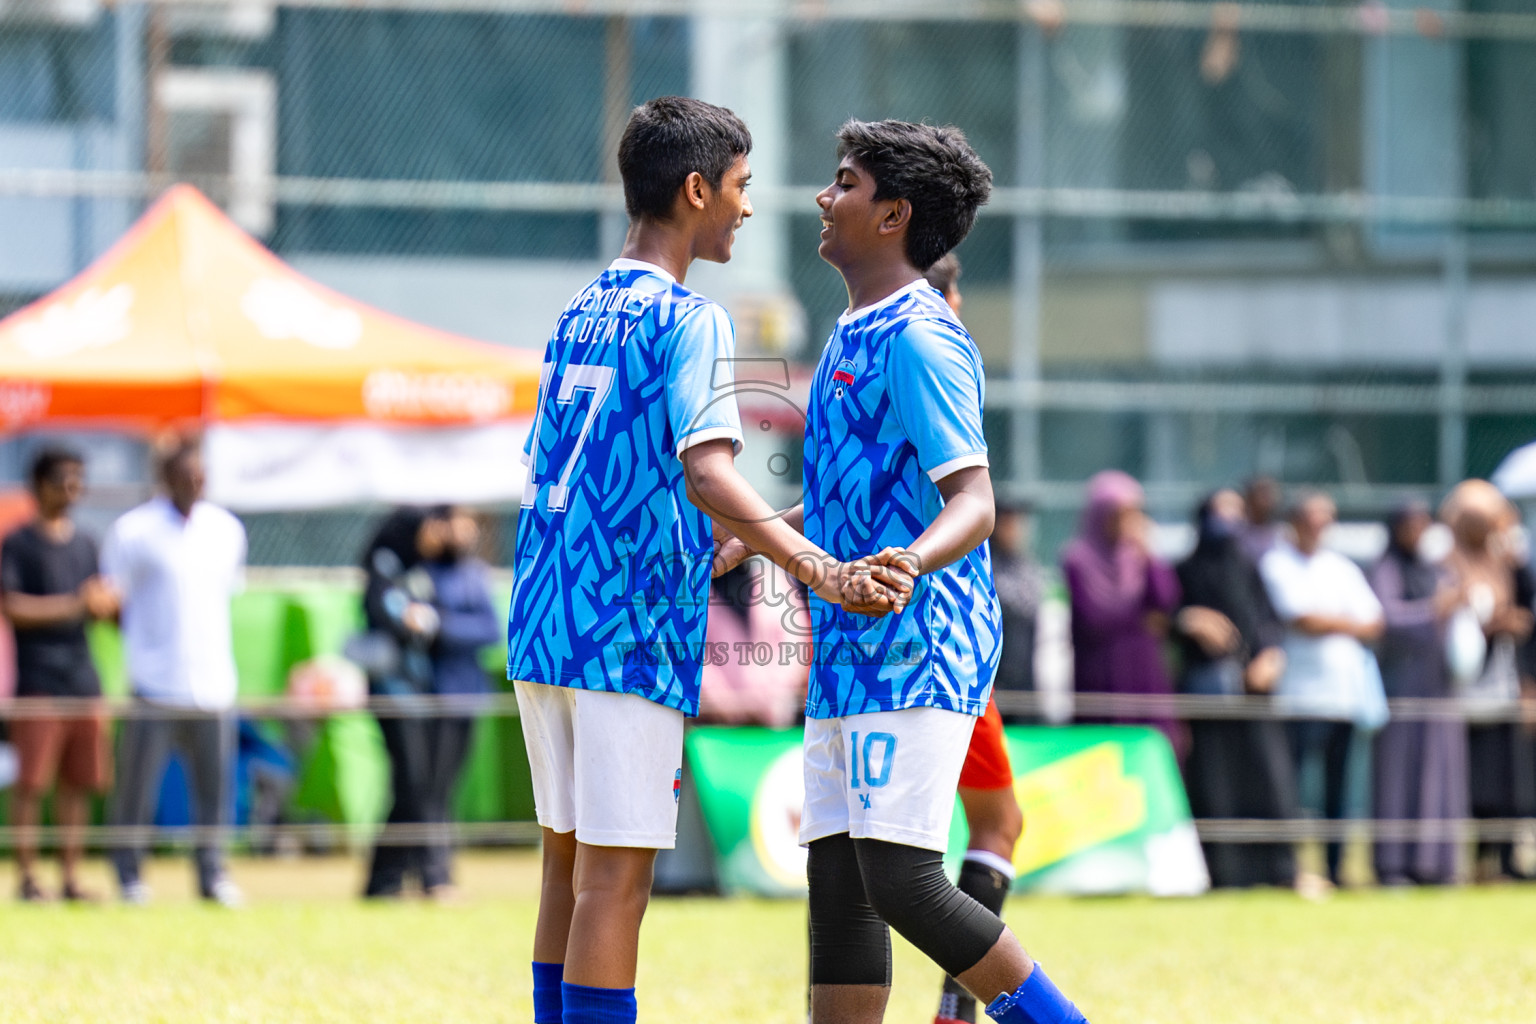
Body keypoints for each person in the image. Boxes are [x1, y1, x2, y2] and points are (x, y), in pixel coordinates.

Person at [507, 97, 907, 1024]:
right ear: (696, 190)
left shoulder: (581, 305)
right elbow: (706, 469)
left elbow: (604, 466)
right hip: (625, 632)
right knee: (617, 882)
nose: (749, 206)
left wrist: (708, 540)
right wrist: (815, 565)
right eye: (740, 186)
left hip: (544, 618)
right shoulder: (691, 318)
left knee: (566, 865)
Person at [786, 118, 1084, 1024]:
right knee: (838, 884)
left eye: (845, 182)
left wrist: (909, 562)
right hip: (848, 646)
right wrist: (759, 534)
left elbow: (975, 501)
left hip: (917, 644)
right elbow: (851, 501)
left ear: (893, 215)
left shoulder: (920, 336)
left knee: (903, 880)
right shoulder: (849, 329)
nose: (823, 197)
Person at [925, 251, 1026, 1024]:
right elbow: (972, 503)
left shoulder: (850, 348)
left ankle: (954, 1011)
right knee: (981, 830)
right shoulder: (936, 356)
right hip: (939, 643)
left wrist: (765, 537)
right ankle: (961, 1012)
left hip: (862, 641)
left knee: (862, 859)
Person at [103, 436, 247, 907]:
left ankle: (212, 874)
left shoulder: (225, 530)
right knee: (136, 789)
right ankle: (129, 876)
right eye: (185, 474)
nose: (194, 483)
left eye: (200, 475)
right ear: (165, 478)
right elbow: (112, 600)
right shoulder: (134, 531)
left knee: (214, 790)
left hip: (212, 682)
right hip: (155, 680)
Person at [1, 447, 118, 902]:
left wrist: (108, 606)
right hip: (38, 681)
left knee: (80, 783)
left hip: (82, 678)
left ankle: (70, 878)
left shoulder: (87, 542)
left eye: (77, 479)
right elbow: (12, 606)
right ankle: (28, 879)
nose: (71, 488)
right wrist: (75, 604)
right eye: (62, 479)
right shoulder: (18, 544)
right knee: (31, 784)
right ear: (39, 485)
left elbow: (101, 601)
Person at [1259, 491, 1384, 889]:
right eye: (1311, 519)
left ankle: (1335, 869)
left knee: (1339, 792)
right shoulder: (1276, 562)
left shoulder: (1341, 567)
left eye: (1324, 519)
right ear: (1294, 521)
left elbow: (1373, 621)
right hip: (1299, 695)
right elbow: (1299, 617)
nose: (1318, 527)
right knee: (1291, 789)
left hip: (1343, 697)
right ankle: (1289, 868)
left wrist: (1329, 622)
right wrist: (1344, 623)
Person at [1173, 489, 1296, 889]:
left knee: (1269, 780)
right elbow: (1163, 618)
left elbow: (1268, 621)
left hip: (1254, 696)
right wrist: (1187, 620)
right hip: (1208, 697)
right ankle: (1224, 874)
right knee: (1214, 782)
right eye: (1220, 510)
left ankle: (1278, 872)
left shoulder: (1249, 565)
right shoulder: (1186, 569)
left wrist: (1271, 655)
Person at [1367, 500, 1467, 886]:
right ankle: (1394, 864)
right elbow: (1387, 617)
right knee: (1399, 772)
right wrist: (1433, 610)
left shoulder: (1436, 569)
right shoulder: (1387, 568)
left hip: (1439, 686)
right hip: (1401, 686)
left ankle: (1437, 863)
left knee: (1440, 770)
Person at [1439, 480, 1534, 881]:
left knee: (1507, 779)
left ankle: (1506, 860)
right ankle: (1465, 862)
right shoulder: (1443, 560)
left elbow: (1525, 611)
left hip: (1502, 685)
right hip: (1457, 688)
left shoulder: (1507, 562)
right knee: (1466, 781)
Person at [1061, 470, 1185, 757]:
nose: (1126, 523)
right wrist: (1139, 620)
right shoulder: (1078, 559)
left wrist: (1148, 553)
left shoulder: (1140, 557)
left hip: (1144, 673)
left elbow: (1166, 599)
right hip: (1099, 674)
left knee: (1152, 750)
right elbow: (1093, 619)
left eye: (1132, 513)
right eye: (1118, 514)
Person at [698, 560, 807, 728]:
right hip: (714, 725)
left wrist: (769, 698)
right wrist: (727, 704)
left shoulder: (775, 583)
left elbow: (795, 646)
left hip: (775, 722)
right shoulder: (698, 591)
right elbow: (695, 655)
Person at [1239, 476, 1284, 566]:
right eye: (1263, 492)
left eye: (1270, 493)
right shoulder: (1237, 533)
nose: (1268, 498)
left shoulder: (1283, 533)